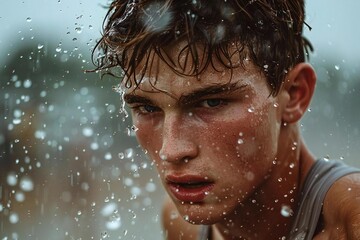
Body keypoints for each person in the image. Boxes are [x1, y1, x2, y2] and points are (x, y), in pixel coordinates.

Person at [92, 0, 360, 239]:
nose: (171, 151)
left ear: (293, 95)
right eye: (147, 108)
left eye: (211, 102)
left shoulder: (351, 221)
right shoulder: (181, 226)